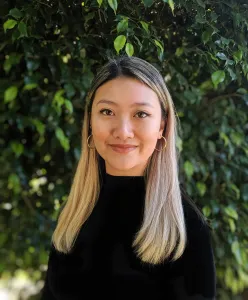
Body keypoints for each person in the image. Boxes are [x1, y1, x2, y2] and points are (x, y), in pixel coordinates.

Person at [41, 56, 216, 299]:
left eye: (141, 114)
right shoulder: (73, 217)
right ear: (90, 122)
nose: (122, 131)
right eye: (107, 111)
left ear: (162, 127)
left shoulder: (186, 229)